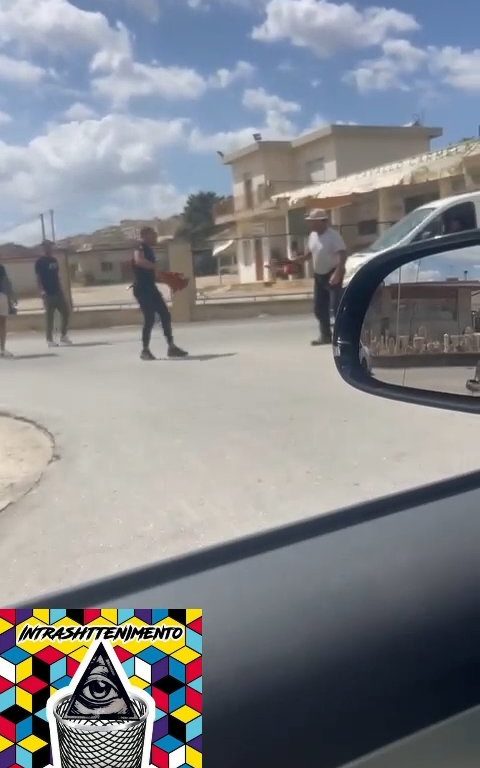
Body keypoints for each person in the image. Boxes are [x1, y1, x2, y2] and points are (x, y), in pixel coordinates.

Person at [132, 227, 188, 361]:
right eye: (153, 235)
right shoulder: (140, 247)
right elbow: (139, 261)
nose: (156, 237)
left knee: (165, 315)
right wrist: (155, 267)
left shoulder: (150, 250)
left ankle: (171, 347)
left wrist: (168, 279)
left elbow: (152, 273)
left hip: (151, 287)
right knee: (149, 318)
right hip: (142, 289)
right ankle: (145, 351)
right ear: (145, 235)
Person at [296, 209, 347, 345]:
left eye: (313, 222)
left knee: (336, 307)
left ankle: (343, 336)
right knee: (319, 308)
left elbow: (342, 254)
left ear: (323, 221)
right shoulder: (312, 235)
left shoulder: (333, 236)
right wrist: (303, 258)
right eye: (310, 222)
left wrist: (338, 272)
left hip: (333, 274)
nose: (310, 225)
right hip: (319, 275)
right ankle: (325, 336)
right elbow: (310, 252)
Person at [35, 240, 72, 347]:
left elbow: (57, 276)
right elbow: (38, 278)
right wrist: (41, 291)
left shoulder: (54, 260)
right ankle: (49, 339)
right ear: (43, 248)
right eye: (46, 247)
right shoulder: (39, 262)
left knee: (66, 312)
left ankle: (63, 336)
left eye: (50, 246)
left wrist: (61, 289)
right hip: (47, 293)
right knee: (49, 317)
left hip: (57, 291)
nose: (48, 248)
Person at [0, 262, 16, 358]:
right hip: (1, 296)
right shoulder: (1, 267)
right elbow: (6, 283)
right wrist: (11, 299)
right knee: (2, 324)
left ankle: (2, 349)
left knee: (2, 323)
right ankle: (2, 349)